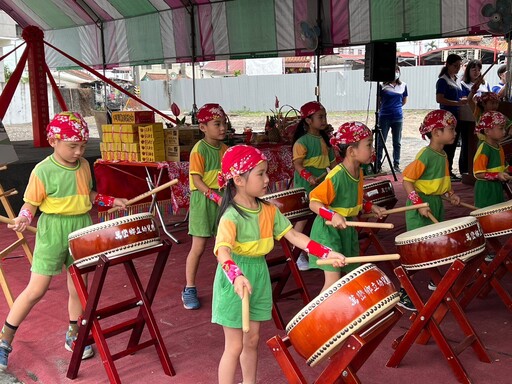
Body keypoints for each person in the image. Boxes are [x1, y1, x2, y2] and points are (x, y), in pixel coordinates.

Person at [0, 112, 128, 371]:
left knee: (79, 286)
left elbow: (87, 194)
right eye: (72, 146)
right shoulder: (42, 170)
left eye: (82, 146)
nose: (79, 151)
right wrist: (24, 218)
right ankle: (4, 340)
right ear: (53, 141)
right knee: (36, 290)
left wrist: (110, 201)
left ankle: (74, 333)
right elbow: (30, 204)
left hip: (81, 226)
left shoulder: (82, 165)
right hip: (53, 230)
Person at [212, 145, 345, 384]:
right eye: (260, 174)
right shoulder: (230, 216)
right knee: (234, 345)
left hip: (258, 274)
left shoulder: (267, 211)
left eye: (266, 173)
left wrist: (325, 252)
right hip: (235, 278)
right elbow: (222, 251)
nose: (267, 179)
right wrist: (236, 276)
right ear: (239, 180)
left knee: (252, 340)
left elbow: (294, 236)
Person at [307, 122, 386, 293]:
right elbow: (314, 201)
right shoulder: (337, 175)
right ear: (351, 151)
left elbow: (353, 200)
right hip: (328, 231)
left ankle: (337, 316)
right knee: (333, 283)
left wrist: (370, 206)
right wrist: (332, 215)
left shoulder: (359, 172)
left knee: (345, 279)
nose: (373, 149)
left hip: (346, 228)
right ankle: (319, 318)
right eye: (369, 144)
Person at [402, 110, 461, 296]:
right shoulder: (425, 155)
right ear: (436, 132)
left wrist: (451, 194)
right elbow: (407, 181)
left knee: (436, 244)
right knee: (417, 248)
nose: (455, 133)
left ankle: (434, 280)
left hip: (435, 204)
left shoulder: (442, 155)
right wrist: (418, 203)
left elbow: (441, 182)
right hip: (420, 205)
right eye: (451, 129)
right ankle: (404, 289)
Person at [182, 103, 229, 310]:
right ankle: (189, 288)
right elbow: (197, 180)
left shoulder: (226, 150)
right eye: (217, 124)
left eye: (224, 124)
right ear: (202, 127)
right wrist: (213, 196)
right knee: (198, 247)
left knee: (225, 245)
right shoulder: (199, 150)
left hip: (222, 198)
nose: (222, 128)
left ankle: (227, 284)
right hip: (203, 200)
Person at [291, 101, 336, 271]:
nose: (324, 120)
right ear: (308, 120)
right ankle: (297, 254)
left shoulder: (327, 141)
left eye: (325, 116)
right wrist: (308, 177)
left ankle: (323, 251)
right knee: (302, 219)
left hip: (322, 186)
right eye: (320, 117)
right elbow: (298, 164)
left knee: (324, 217)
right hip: (306, 187)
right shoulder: (302, 142)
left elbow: (332, 165)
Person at [436, 53, 467, 181]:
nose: (458, 68)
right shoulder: (443, 80)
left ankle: (448, 171)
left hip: (456, 116)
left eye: (459, 66)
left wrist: (461, 100)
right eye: (455, 65)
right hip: (447, 116)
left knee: (453, 145)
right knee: (448, 146)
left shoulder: (455, 79)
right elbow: (439, 99)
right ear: (448, 65)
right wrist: (457, 102)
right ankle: (445, 172)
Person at [473, 110, 512, 208]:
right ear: (487, 131)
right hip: (485, 189)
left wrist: (508, 170)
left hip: (497, 187)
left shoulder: (499, 147)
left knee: (497, 214)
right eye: (501, 128)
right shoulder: (484, 148)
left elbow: (504, 167)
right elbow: (478, 173)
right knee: (487, 216)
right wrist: (497, 175)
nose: (504, 132)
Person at [459, 59, 491, 175]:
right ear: (468, 71)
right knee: (467, 143)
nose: (476, 72)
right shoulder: (463, 84)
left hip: (484, 118)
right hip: (468, 118)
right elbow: (463, 99)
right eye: (473, 69)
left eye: (478, 69)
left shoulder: (485, 84)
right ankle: (465, 169)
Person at [376, 65, 408, 173]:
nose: (395, 73)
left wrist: (396, 107)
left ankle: (396, 164)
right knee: (381, 141)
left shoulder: (403, 85)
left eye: (397, 70)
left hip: (398, 117)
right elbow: (378, 101)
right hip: (384, 116)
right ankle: (378, 164)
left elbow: (404, 100)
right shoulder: (382, 85)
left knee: (397, 142)